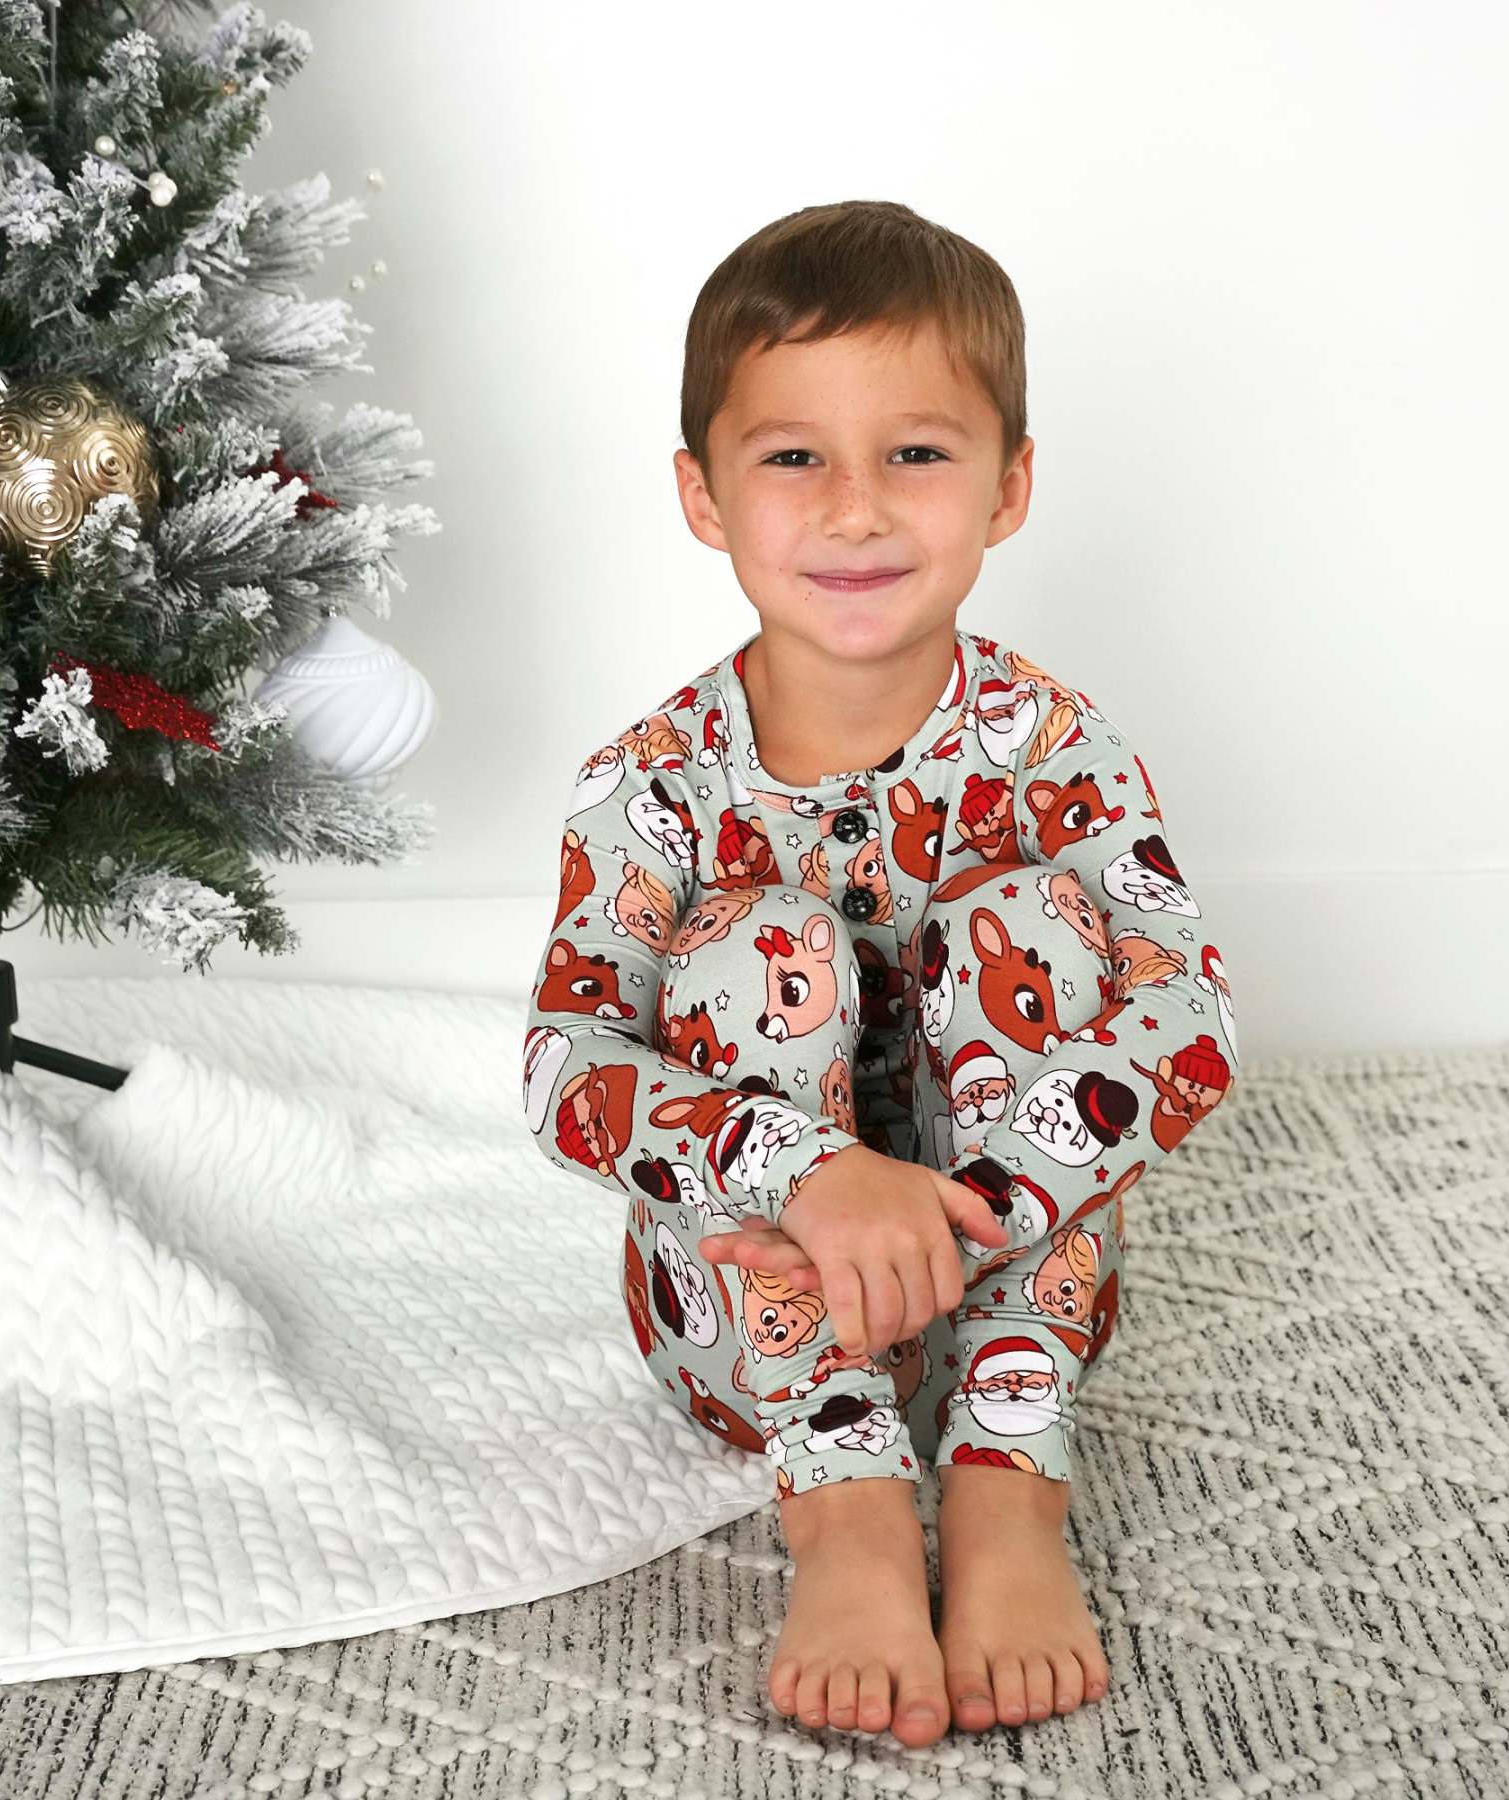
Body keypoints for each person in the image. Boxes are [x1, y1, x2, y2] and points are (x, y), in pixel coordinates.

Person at [520, 199, 1240, 1749]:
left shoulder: (1061, 750)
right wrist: (815, 1174)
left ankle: (1002, 1488)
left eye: (914, 453)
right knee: (758, 939)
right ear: (704, 495)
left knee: (1034, 918)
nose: (854, 511)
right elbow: (564, 1061)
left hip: (1015, 1291)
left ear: (1009, 486)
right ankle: (844, 1507)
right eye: (794, 457)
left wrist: (974, 1203)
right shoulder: (648, 782)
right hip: (750, 1318)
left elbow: (1192, 1019)